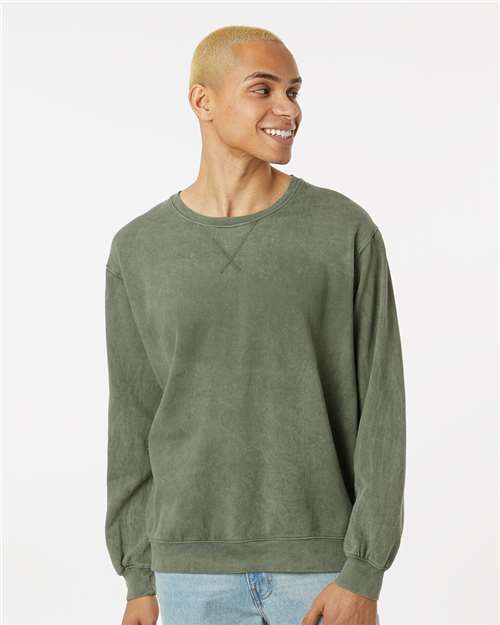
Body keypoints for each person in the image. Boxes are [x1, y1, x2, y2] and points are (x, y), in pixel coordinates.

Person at [104, 24, 406, 625]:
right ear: (203, 101)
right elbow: (133, 419)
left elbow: (382, 407)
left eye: (294, 91)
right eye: (263, 90)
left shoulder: (342, 230)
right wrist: (140, 576)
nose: (288, 109)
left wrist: (364, 570)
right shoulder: (139, 249)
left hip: (323, 571)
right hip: (186, 575)